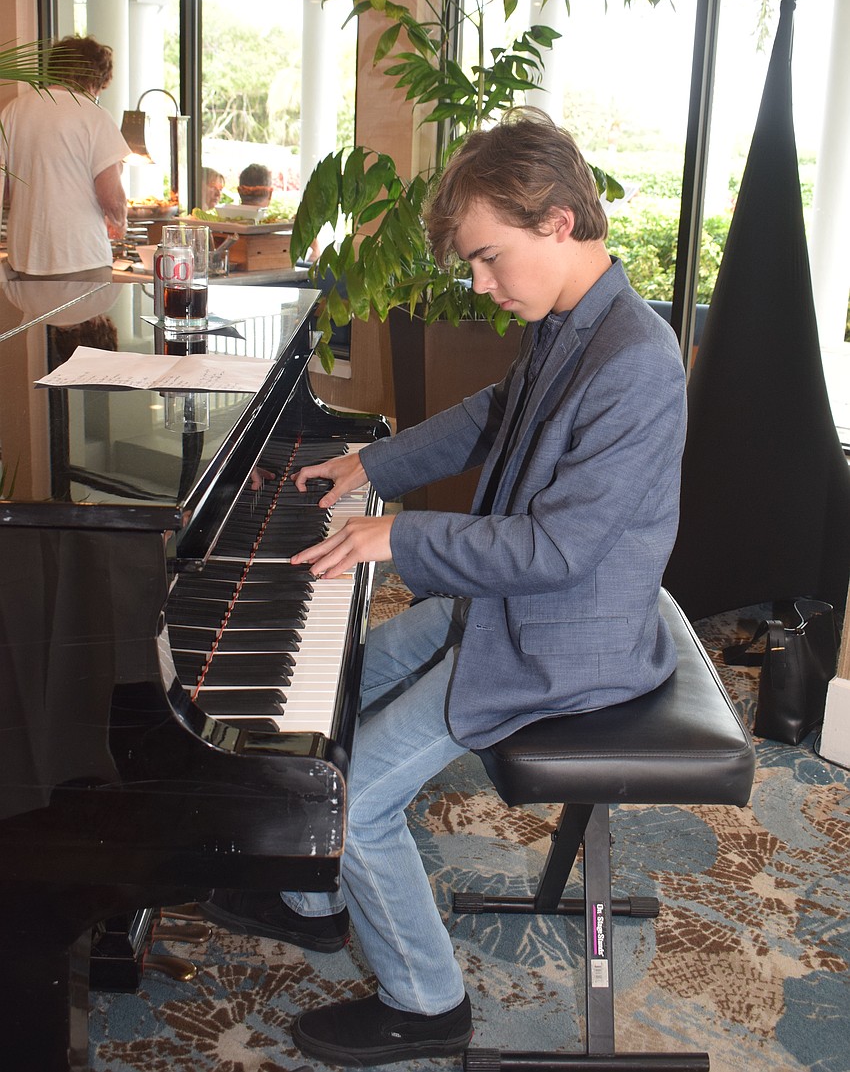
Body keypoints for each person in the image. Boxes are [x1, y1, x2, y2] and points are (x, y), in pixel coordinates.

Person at [201, 110, 688, 1067]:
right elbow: (489, 415)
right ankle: (312, 895)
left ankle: (428, 1002)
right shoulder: (571, 321)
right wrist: (371, 462)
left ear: (557, 222)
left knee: (353, 800)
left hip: (564, 644)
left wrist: (399, 535)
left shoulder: (636, 360)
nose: (480, 284)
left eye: (487, 258)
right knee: (337, 689)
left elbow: (559, 551)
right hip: (509, 608)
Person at [2, 35, 129, 281]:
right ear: (95, 80)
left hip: (24, 256)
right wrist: (119, 222)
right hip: (80, 258)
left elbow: (6, 189)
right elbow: (111, 197)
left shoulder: (13, 111)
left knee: (35, 309)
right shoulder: (94, 115)